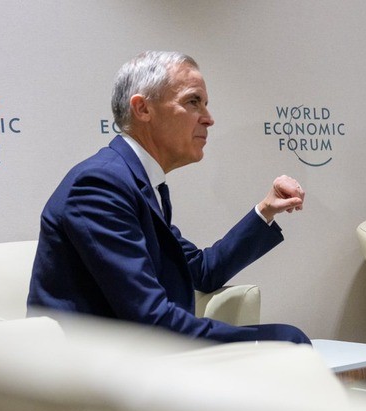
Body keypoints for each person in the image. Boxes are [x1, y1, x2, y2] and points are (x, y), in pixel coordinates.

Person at [27, 51, 310, 344]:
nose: (209, 119)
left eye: (205, 104)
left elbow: (202, 271)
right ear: (143, 109)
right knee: (289, 342)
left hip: (133, 356)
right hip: (89, 366)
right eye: (193, 102)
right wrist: (260, 342)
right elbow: (150, 319)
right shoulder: (100, 185)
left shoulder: (135, 182)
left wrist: (266, 210)